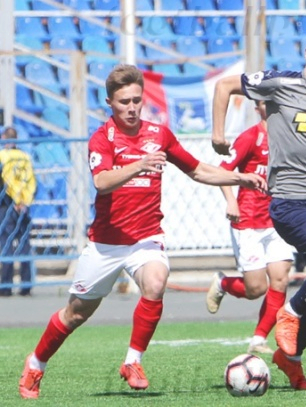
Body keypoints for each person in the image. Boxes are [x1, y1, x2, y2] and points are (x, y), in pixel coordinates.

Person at [18, 64, 266, 400]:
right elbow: (101, 181)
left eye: (137, 100)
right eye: (124, 102)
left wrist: (239, 177)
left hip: (146, 238)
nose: (132, 107)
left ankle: (133, 361)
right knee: (76, 313)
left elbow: (197, 170)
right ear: (110, 103)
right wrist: (138, 165)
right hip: (106, 244)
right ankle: (36, 363)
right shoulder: (102, 138)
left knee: (156, 281)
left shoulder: (159, 134)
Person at [211, 27, 306, 390]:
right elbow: (224, 86)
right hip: (290, 202)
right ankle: (291, 311)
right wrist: (218, 134)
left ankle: (290, 361)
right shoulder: (280, 83)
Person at [206, 100, 294, 355]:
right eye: (266, 102)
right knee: (256, 289)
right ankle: (223, 283)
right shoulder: (250, 137)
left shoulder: (289, 136)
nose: (273, 105)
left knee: (280, 279)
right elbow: (223, 171)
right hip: (248, 221)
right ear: (258, 108)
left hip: (277, 220)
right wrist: (231, 201)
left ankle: (258, 339)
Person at [0, 126, 36, 297]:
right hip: (24, 206)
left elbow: (7, 180)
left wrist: (16, 199)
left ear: (3, 138)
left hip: (7, 205)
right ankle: (26, 284)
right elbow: (31, 181)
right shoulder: (25, 157)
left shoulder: (3, 156)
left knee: (6, 244)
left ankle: (6, 286)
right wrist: (25, 201)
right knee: (24, 244)